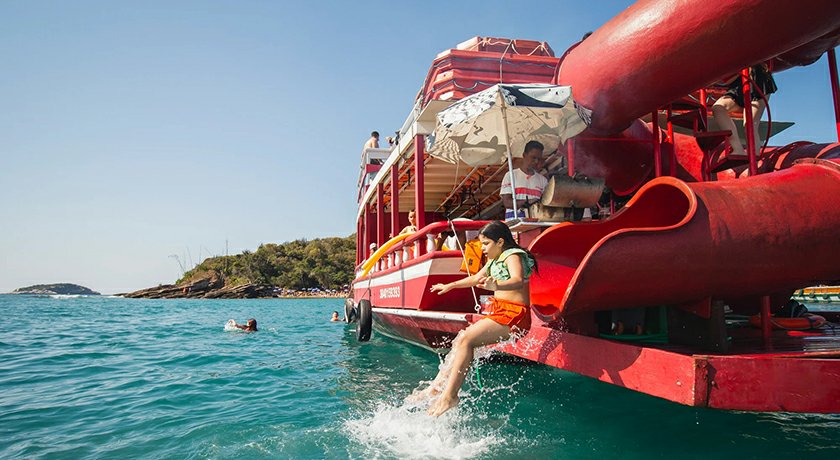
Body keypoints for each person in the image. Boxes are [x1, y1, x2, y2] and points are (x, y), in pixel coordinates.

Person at [418, 221, 537, 416]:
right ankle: (437, 387)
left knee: (467, 339)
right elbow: (475, 278)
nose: (482, 248)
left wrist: (496, 285)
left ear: (500, 242)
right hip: (501, 312)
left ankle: (450, 396)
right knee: (461, 339)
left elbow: (517, 280)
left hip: (515, 315)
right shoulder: (494, 260)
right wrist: (450, 286)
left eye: (486, 244)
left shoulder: (513, 255)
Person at [711, 63, 777, 159]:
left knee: (750, 125)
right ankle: (738, 149)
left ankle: (754, 158)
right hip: (737, 86)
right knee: (718, 108)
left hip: (756, 79)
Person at [500, 140, 548, 220]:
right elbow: (507, 203)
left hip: (535, 224)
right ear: (524, 155)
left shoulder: (543, 180)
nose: (536, 161)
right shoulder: (510, 175)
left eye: (539, 159)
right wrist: (528, 202)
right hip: (514, 224)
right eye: (533, 157)